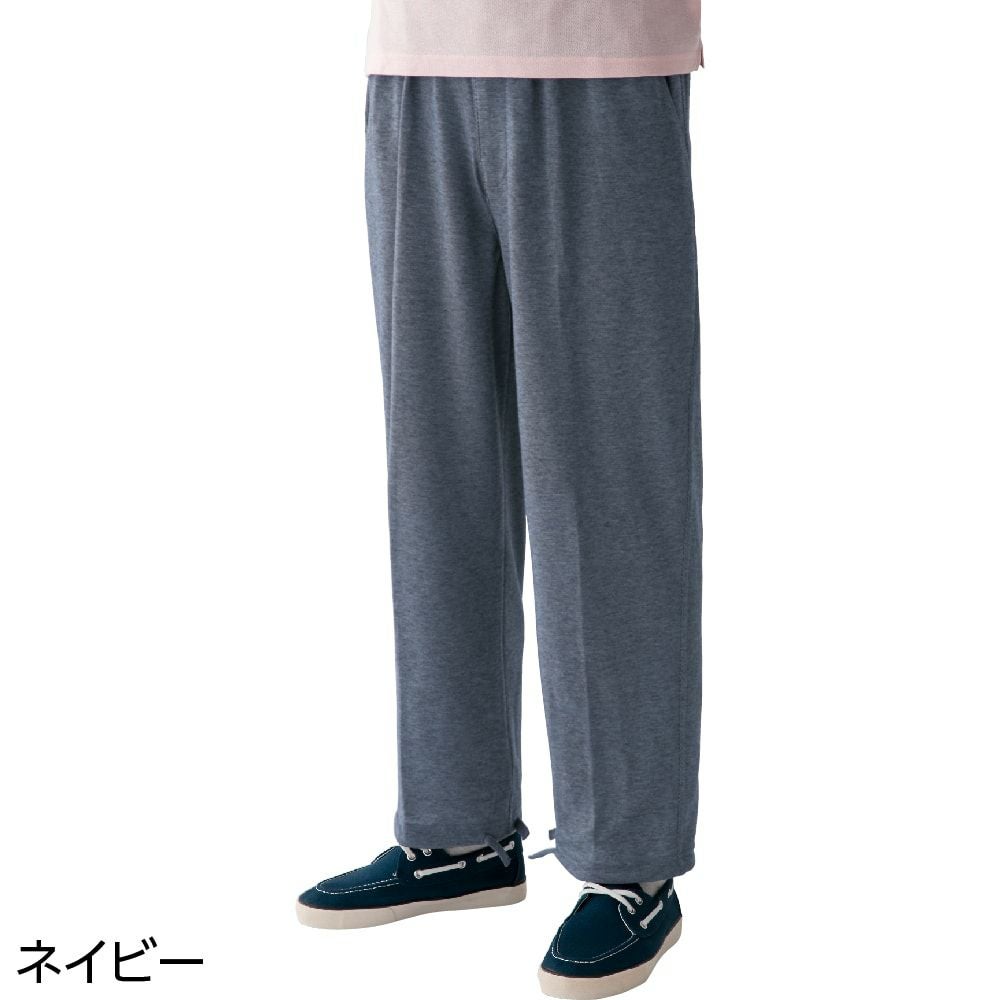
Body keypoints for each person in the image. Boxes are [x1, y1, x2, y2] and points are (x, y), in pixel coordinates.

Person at [297, 3, 703, 996]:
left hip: (596, 62)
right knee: (435, 472)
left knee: (606, 482)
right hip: (414, 62)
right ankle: (458, 833)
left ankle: (630, 866)